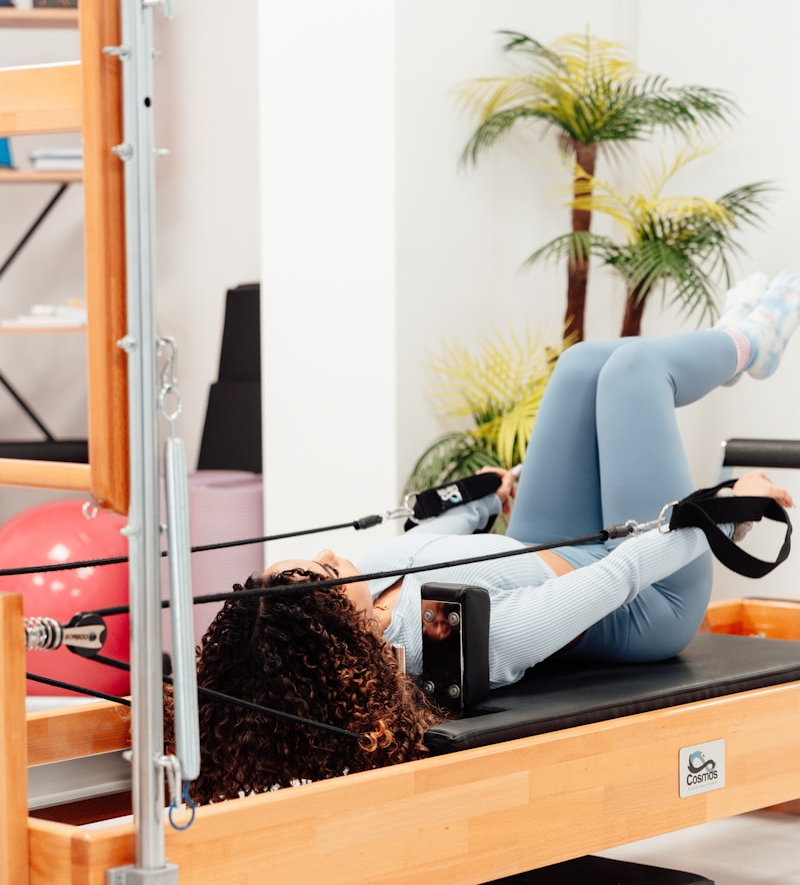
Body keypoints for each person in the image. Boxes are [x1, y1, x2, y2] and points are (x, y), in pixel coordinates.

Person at [170, 271, 797, 801]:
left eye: (314, 558)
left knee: (581, 365)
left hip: (541, 544)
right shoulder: (451, 638)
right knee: (635, 370)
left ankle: (727, 345)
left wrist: (481, 503)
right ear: (343, 630)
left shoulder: (367, 591)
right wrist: (727, 512)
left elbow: (425, 545)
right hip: (649, 597)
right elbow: (617, 577)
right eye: (327, 571)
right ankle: (751, 344)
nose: (330, 554)